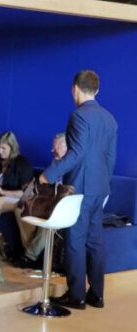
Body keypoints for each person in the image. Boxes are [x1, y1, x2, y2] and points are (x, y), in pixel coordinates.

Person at [42, 70, 117, 310]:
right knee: (95, 241)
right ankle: (97, 294)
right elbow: (110, 157)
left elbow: (76, 153)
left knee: (75, 240)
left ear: (75, 88)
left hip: (81, 186)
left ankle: (77, 296)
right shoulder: (110, 119)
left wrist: (48, 174)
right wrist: (104, 182)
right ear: (97, 90)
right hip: (100, 187)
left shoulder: (79, 116)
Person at [13, 133, 67, 267]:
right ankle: (30, 249)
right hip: (47, 203)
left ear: (65, 146)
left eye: (55, 147)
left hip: (63, 207)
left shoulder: (73, 167)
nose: (52, 150)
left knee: (47, 221)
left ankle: (30, 256)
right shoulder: (55, 164)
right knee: (19, 208)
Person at [0, 131, 34, 233]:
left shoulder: (22, 164)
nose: (0, 151)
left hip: (12, 198)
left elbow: (26, 193)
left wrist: (3, 192)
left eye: (3, 148)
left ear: (12, 148)